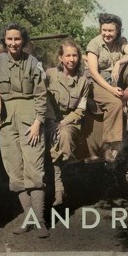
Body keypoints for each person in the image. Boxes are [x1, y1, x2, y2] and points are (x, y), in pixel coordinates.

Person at [0, 22, 49, 238]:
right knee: (15, 172)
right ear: (4, 41)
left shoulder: (33, 63)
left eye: (17, 39)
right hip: (6, 122)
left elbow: (41, 94)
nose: (13, 43)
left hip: (30, 120)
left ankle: (40, 221)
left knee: (34, 170)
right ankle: (29, 218)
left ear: (23, 41)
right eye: (9, 39)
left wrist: (38, 122)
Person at [86, 12, 128, 162]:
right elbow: (93, 72)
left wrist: (119, 62)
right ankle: (108, 146)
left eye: (111, 30)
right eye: (104, 30)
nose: (107, 34)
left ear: (117, 30)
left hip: (116, 79)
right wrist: (111, 89)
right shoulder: (94, 44)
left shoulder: (121, 41)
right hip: (98, 82)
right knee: (115, 103)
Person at [45, 38, 90, 206]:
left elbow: (81, 109)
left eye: (75, 55)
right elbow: (44, 99)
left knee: (62, 136)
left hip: (70, 122)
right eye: (68, 55)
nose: (72, 59)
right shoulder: (50, 75)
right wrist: (51, 119)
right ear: (60, 58)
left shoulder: (83, 81)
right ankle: (56, 188)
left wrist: (64, 122)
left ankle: (58, 187)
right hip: (49, 118)